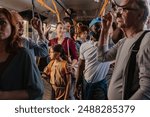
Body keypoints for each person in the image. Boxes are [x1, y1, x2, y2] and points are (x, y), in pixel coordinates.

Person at [97, 0, 150, 100]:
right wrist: (104, 30)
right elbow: (102, 57)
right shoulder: (123, 41)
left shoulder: (147, 41)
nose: (117, 14)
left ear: (140, 14)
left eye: (124, 9)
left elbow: (147, 90)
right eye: (119, 9)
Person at [0, 8, 44, 99]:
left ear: (10, 26)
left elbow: (43, 52)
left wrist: (40, 32)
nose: (21, 26)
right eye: (18, 23)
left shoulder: (24, 50)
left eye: (2, 22)